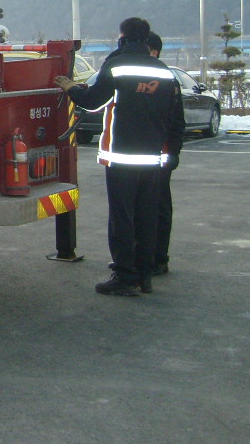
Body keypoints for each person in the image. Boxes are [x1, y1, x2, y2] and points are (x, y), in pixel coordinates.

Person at [55, 17, 185, 296]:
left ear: (123, 36)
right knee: (146, 217)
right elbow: (174, 117)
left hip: (122, 157)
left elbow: (93, 102)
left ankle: (125, 277)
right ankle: (145, 274)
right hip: (152, 159)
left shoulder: (116, 65)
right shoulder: (164, 71)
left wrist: (71, 88)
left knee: (122, 217)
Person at [144, 31, 174, 275]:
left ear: (153, 51)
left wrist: (173, 152)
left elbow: (176, 120)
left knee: (157, 208)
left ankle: (157, 259)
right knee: (147, 209)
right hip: (151, 155)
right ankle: (147, 258)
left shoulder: (163, 77)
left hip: (159, 156)